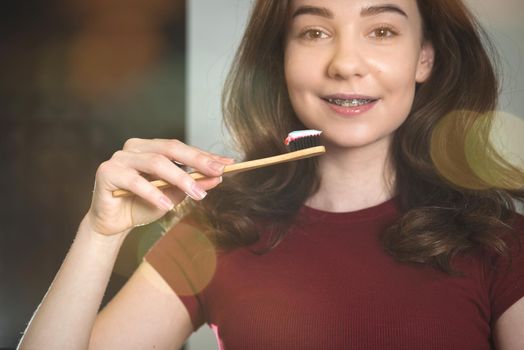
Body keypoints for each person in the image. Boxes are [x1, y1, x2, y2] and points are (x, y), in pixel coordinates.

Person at [19, 0, 524, 349]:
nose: (346, 63)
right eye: (314, 32)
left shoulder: (500, 241)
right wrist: (99, 232)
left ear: (425, 58)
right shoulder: (219, 231)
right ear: (282, 57)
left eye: (382, 31)